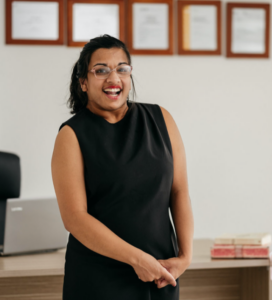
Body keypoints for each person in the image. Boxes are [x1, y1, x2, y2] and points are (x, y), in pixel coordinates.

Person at [51, 35, 194, 299]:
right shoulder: (71, 135)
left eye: (122, 69)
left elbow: (179, 192)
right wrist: (137, 259)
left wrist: (185, 257)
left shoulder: (161, 119)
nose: (113, 78)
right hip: (99, 278)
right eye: (101, 70)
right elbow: (75, 218)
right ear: (83, 82)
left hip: (161, 273)